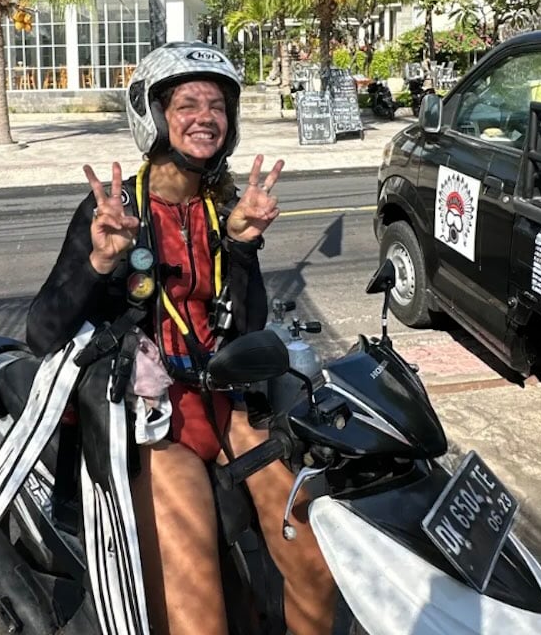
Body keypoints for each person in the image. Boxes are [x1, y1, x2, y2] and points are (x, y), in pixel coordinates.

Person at [26, 42, 336, 635]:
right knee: (197, 615)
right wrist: (96, 262)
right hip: (154, 417)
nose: (206, 117)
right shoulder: (115, 212)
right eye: (188, 102)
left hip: (226, 401)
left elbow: (243, 329)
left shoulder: (225, 209)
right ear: (153, 114)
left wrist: (242, 248)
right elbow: (41, 331)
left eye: (217, 104)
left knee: (315, 564)